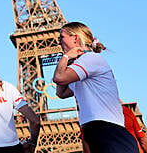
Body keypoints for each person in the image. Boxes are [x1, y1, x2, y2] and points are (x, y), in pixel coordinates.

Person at [53, 21, 138, 153]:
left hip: (108, 132)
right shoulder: (80, 67)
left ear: (75, 38)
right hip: (97, 132)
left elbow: (59, 78)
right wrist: (68, 61)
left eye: (61, 37)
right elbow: (61, 92)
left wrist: (66, 57)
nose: (58, 42)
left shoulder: (90, 59)